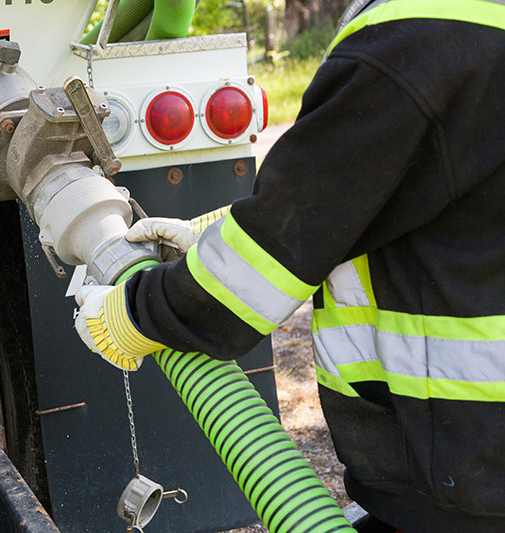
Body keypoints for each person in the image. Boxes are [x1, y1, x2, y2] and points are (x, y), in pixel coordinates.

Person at [74, 0, 505, 531]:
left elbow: (270, 258)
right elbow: (435, 198)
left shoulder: (414, 39)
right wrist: (215, 230)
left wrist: (132, 316)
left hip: (473, 471)